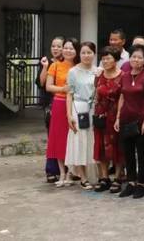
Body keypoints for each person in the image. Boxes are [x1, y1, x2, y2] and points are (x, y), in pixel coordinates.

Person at [114, 44, 144, 199]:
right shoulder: (124, 76)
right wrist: (118, 117)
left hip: (141, 120)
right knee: (128, 153)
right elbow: (122, 97)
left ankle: (141, 184)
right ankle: (131, 182)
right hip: (125, 119)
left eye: (139, 57)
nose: (135, 60)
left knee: (142, 154)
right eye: (133, 56)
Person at [45, 37, 79, 187]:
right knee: (59, 138)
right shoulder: (55, 66)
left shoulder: (80, 66)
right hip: (59, 103)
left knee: (73, 137)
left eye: (71, 48)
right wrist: (63, 89)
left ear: (76, 51)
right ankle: (62, 172)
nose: (67, 50)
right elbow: (48, 86)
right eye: (65, 48)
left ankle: (72, 172)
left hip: (76, 105)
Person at [65, 41, 98, 189]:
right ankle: (83, 176)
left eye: (89, 52)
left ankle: (95, 174)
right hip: (78, 109)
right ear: (79, 54)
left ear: (94, 54)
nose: (86, 55)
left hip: (94, 109)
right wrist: (69, 115)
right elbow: (69, 95)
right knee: (80, 141)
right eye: (83, 52)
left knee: (93, 141)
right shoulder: (73, 72)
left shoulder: (99, 71)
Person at [93, 46, 125, 193]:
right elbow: (96, 95)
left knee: (118, 147)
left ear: (116, 60)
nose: (105, 61)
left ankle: (118, 177)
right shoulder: (99, 75)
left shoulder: (123, 76)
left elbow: (124, 98)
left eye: (108, 58)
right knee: (101, 147)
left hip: (116, 116)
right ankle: (104, 178)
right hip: (100, 115)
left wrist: (119, 116)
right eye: (103, 58)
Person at [37, 36, 64, 183]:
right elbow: (41, 83)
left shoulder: (68, 62)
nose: (56, 49)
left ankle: (66, 169)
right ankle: (51, 170)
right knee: (52, 138)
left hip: (65, 103)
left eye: (59, 46)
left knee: (64, 138)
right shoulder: (45, 61)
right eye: (53, 46)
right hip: (51, 106)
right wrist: (45, 67)